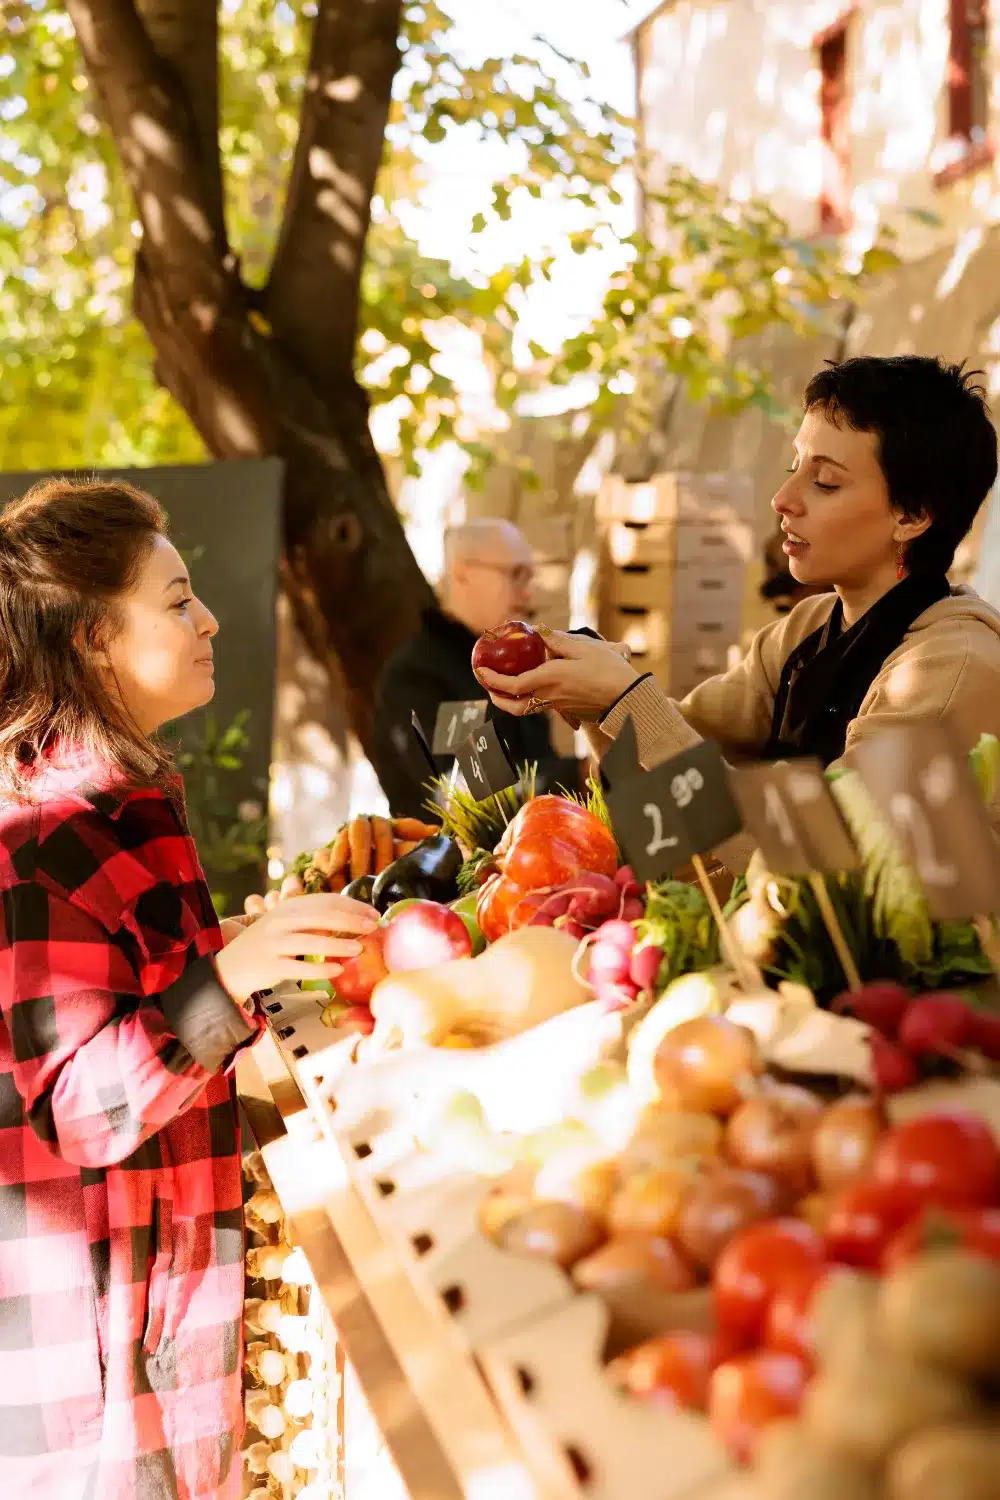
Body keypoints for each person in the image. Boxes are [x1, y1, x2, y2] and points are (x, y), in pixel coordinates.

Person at [0, 479, 377, 1500]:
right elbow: (77, 1107)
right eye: (174, 602)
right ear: (88, 638)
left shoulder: (118, 800)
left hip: (150, 1313)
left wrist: (250, 965)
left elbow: (148, 1016)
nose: (207, 619)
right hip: (95, 1360)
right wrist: (235, 974)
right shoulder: (39, 835)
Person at [475, 356, 1000, 869]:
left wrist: (624, 701)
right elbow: (677, 758)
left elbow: (820, 863)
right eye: (794, 467)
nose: (782, 499)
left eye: (826, 482)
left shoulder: (951, 669)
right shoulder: (806, 629)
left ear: (912, 515)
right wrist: (593, 703)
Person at [371, 517, 581, 816]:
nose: (528, 595)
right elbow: (474, 791)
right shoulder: (421, 674)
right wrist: (583, 774)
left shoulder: (513, 669)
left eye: (530, 578)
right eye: (516, 575)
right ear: (462, 575)